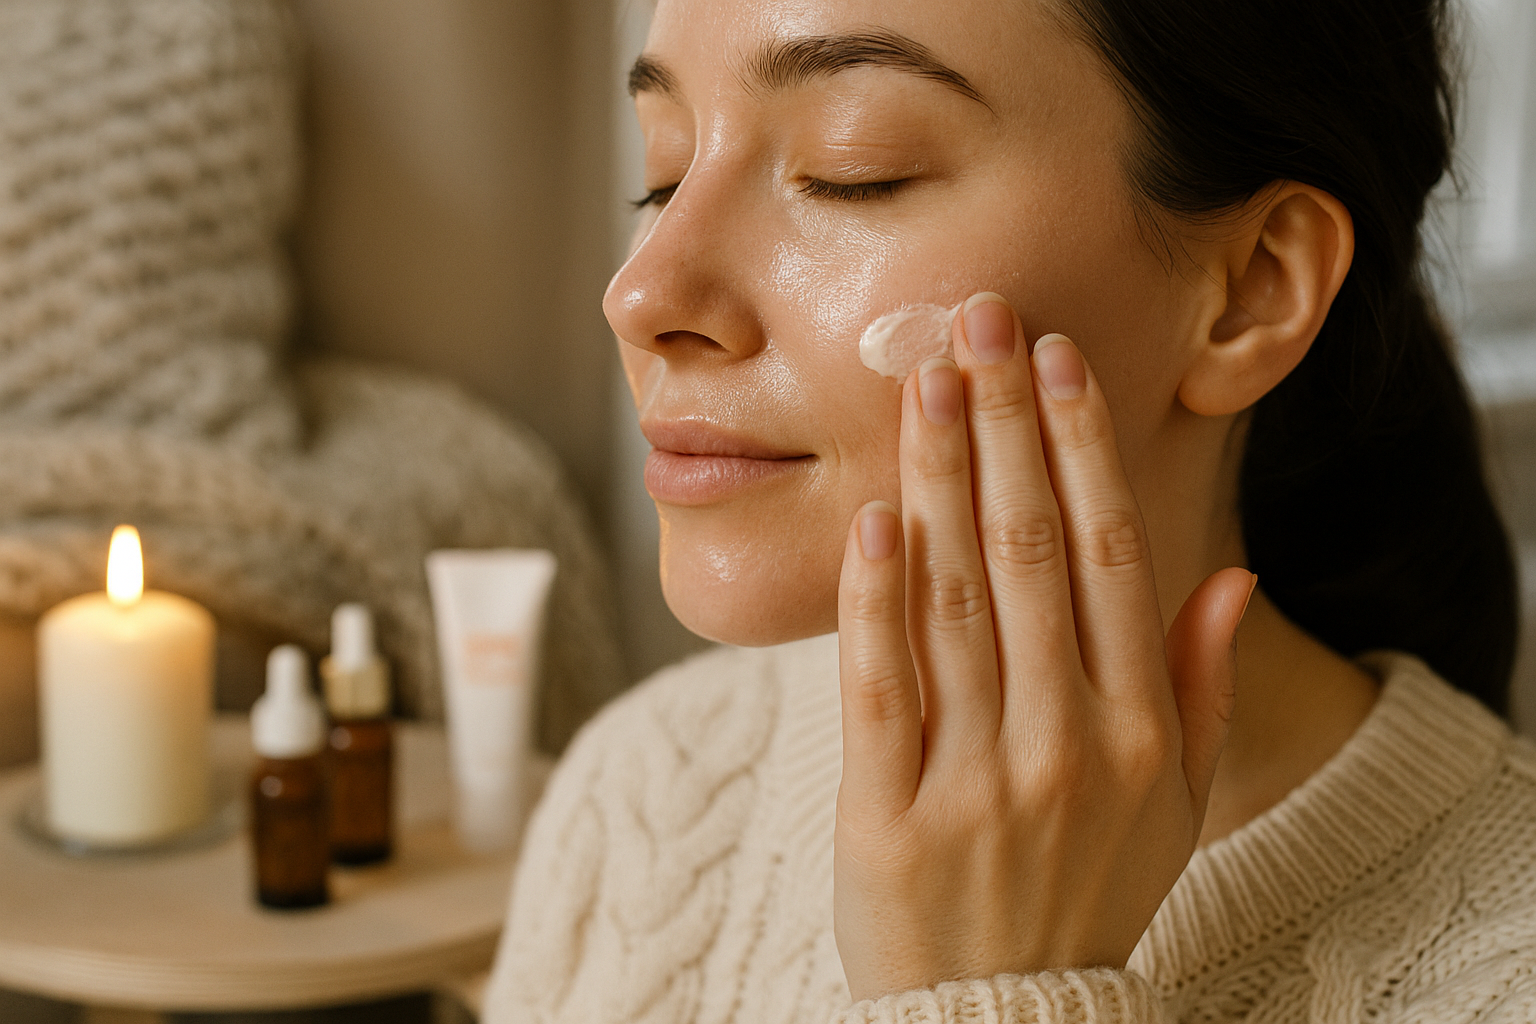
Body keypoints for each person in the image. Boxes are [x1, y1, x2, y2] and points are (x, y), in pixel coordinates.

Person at [483, 0, 1536, 1020]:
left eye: (853, 173)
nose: (644, 293)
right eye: (663, 175)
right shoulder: (648, 790)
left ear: (1254, 287)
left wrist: (993, 994)